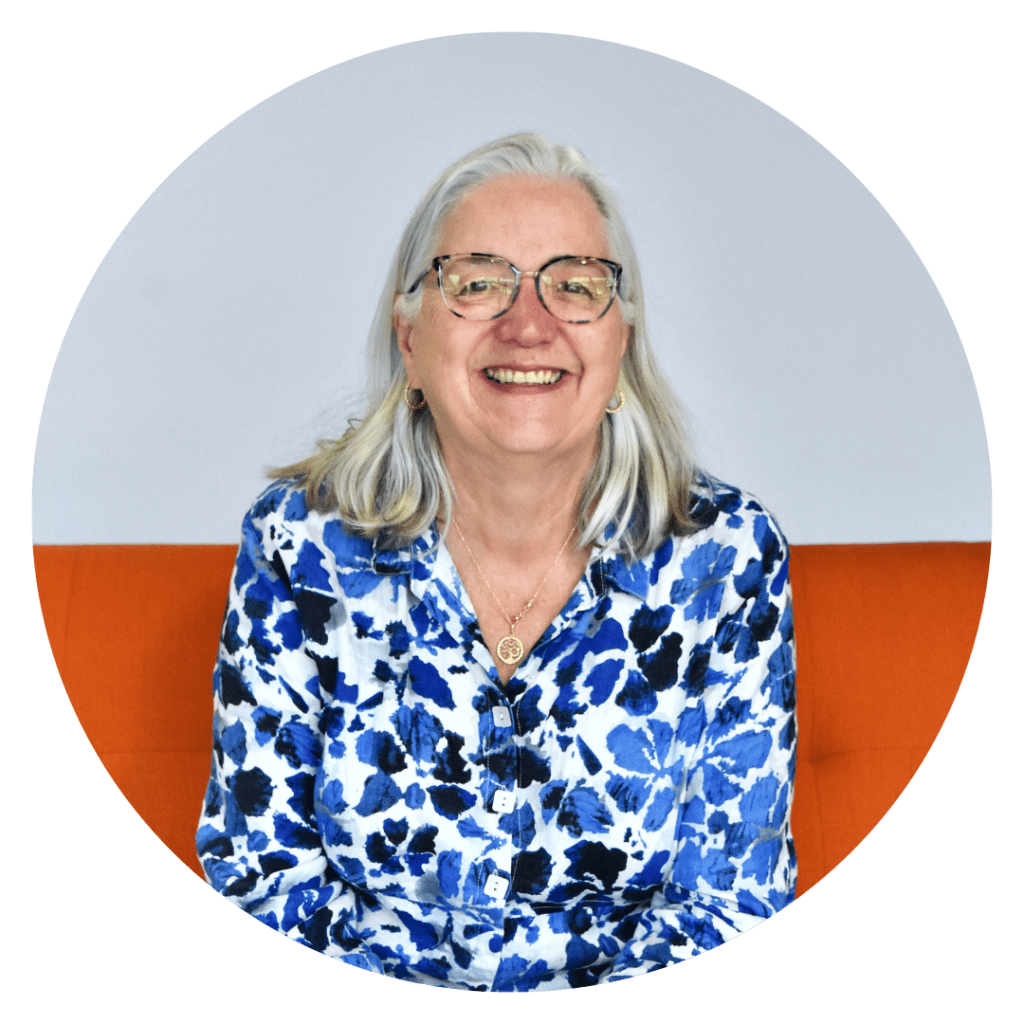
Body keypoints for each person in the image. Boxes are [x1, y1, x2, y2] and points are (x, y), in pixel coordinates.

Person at [196, 133, 797, 991]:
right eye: (477, 283)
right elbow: (260, 880)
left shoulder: (727, 559)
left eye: (575, 285)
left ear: (620, 342)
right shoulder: (299, 548)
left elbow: (731, 910)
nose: (528, 324)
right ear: (410, 339)